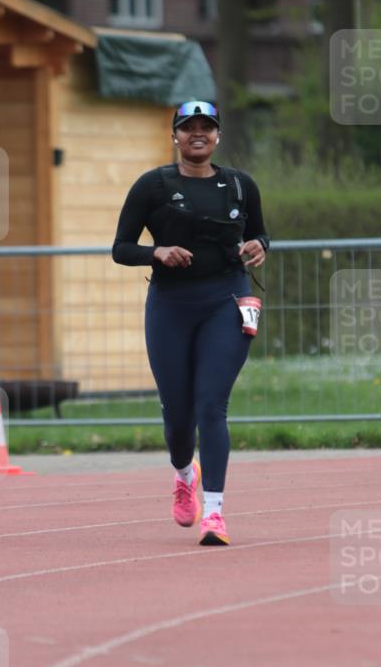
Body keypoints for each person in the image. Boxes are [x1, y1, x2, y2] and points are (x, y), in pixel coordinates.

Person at [112, 101, 269, 546]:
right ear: (175, 136)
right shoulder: (152, 186)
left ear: (218, 135)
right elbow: (121, 247)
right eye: (188, 128)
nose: (197, 134)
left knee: (210, 406)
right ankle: (185, 474)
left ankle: (215, 514)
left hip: (227, 299)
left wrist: (259, 245)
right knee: (178, 416)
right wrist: (155, 252)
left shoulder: (240, 184)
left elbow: (261, 232)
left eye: (206, 127)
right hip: (170, 306)